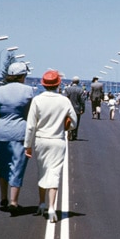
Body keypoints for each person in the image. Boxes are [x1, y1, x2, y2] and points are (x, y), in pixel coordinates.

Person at [24, 70, 77, 223]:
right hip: (57, 140)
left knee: (43, 170)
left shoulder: (37, 100)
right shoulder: (64, 101)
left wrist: (27, 145)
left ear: (43, 84)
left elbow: (30, 126)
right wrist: (65, 128)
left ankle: (41, 203)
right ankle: (52, 207)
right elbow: (73, 122)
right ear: (58, 84)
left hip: (41, 140)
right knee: (54, 173)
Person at [0, 62, 33, 212]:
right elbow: (32, 113)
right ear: (22, 76)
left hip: (0, 132)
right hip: (20, 131)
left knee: (2, 165)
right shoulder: (28, 91)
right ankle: (14, 201)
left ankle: (3, 197)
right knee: (17, 166)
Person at [64, 76, 85, 140]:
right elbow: (82, 100)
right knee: (76, 121)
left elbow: (65, 98)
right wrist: (82, 109)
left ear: (72, 82)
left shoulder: (67, 89)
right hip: (77, 108)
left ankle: (68, 131)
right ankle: (74, 134)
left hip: (68, 108)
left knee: (68, 120)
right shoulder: (80, 90)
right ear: (78, 82)